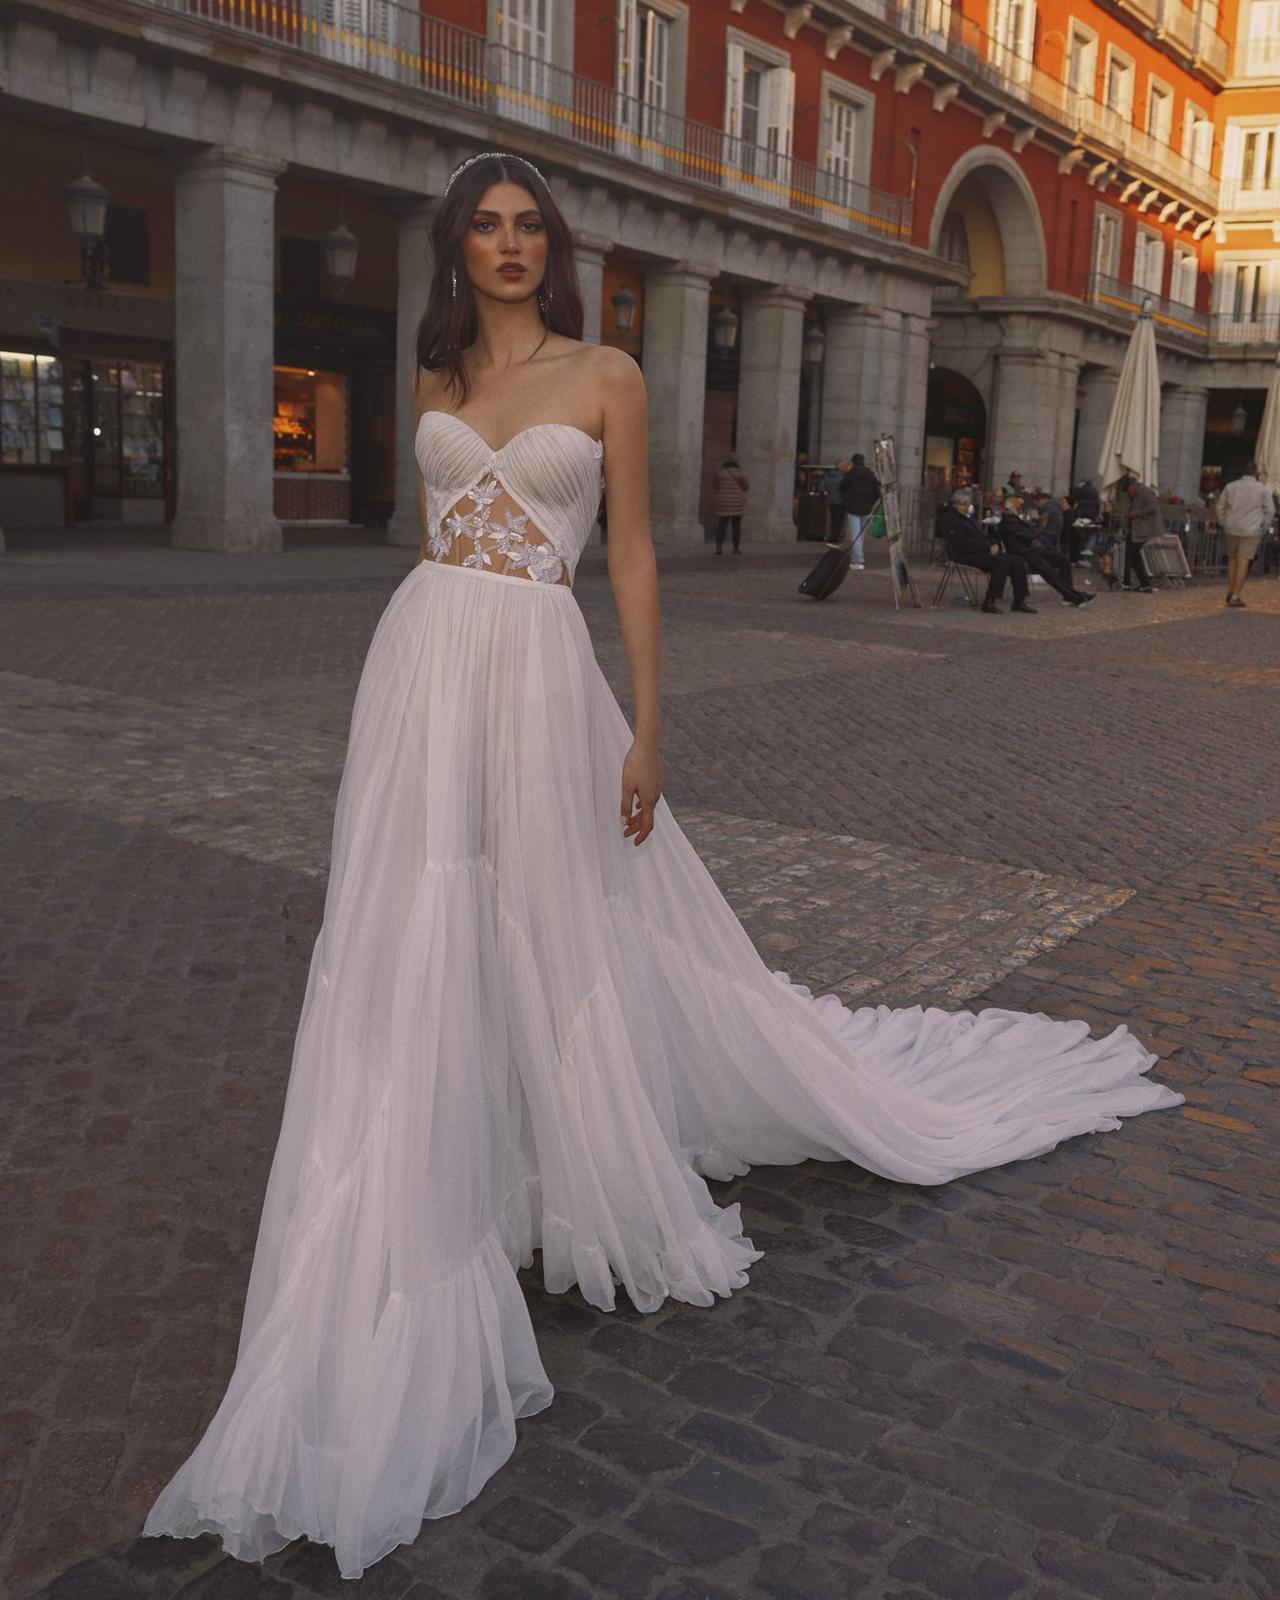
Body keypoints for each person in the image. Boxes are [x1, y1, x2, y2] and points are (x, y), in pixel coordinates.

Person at [140, 150, 1183, 1583]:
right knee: (413, 920)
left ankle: (556, 1156)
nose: (508, 246)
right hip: (425, 664)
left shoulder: (611, 373)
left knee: (556, 919)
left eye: (528, 228)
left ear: (554, 247)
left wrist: (645, 726)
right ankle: (440, 1161)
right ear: (457, 251)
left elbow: (627, 551)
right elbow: (431, 533)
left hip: (541, 670)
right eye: (485, 229)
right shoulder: (435, 374)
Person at [938, 487, 1035, 613]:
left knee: (1017, 562)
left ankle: (1019, 601)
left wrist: (994, 543)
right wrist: (987, 548)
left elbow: (981, 534)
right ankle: (990, 601)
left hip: (980, 551)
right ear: (958, 504)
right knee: (1001, 562)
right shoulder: (950, 520)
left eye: (968, 505)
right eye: (965, 505)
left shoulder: (965, 518)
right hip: (964, 554)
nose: (968, 508)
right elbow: (963, 543)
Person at [1000, 497, 1096, 608]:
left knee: (1063, 559)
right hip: (1024, 554)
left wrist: (1037, 524)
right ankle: (1075, 597)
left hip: (1033, 550)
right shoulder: (1008, 521)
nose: (1019, 507)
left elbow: (1029, 530)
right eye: (1017, 505)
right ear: (1011, 507)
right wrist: (1041, 525)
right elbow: (1028, 535)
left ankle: (1069, 596)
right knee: (1049, 572)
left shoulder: (1014, 519)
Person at [1216, 462, 1276, 608]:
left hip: (1231, 528)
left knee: (1232, 559)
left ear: (1242, 472)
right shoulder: (1262, 489)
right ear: (1255, 473)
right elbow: (1270, 510)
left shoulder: (1230, 487)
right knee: (1243, 562)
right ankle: (1236, 596)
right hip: (1251, 530)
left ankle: (1230, 590)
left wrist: (1224, 522)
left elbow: (1220, 506)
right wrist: (1263, 527)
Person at [839, 451, 879, 570]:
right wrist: (870, 503)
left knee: (855, 535)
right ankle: (858, 558)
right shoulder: (871, 475)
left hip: (853, 507)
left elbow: (841, 488)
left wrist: (848, 498)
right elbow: (877, 493)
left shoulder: (849, 474)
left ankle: (858, 560)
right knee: (860, 536)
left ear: (853, 462)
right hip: (866, 508)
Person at [1120, 475, 1160, 592]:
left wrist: (1137, 513)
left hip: (1142, 530)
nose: (1127, 492)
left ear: (1132, 486)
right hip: (1133, 530)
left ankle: (1126, 582)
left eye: (1128, 489)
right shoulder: (1132, 495)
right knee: (1134, 556)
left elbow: (1153, 508)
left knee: (1129, 555)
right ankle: (1145, 584)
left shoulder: (1146, 492)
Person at [712, 453, 750, 555]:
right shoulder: (740, 473)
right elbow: (746, 486)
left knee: (722, 525)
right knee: (736, 526)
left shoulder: (720, 473)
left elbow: (715, 486)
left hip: (723, 502)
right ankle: (735, 548)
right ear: (737, 462)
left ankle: (719, 548)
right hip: (737, 502)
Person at [821, 457, 850, 542]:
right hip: (841, 500)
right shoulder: (844, 476)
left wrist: (828, 493)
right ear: (842, 467)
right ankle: (835, 537)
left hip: (831, 501)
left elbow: (821, 486)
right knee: (839, 520)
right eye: (846, 466)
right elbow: (846, 488)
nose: (846, 468)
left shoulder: (829, 474)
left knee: (834, 519)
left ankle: (832, 536)